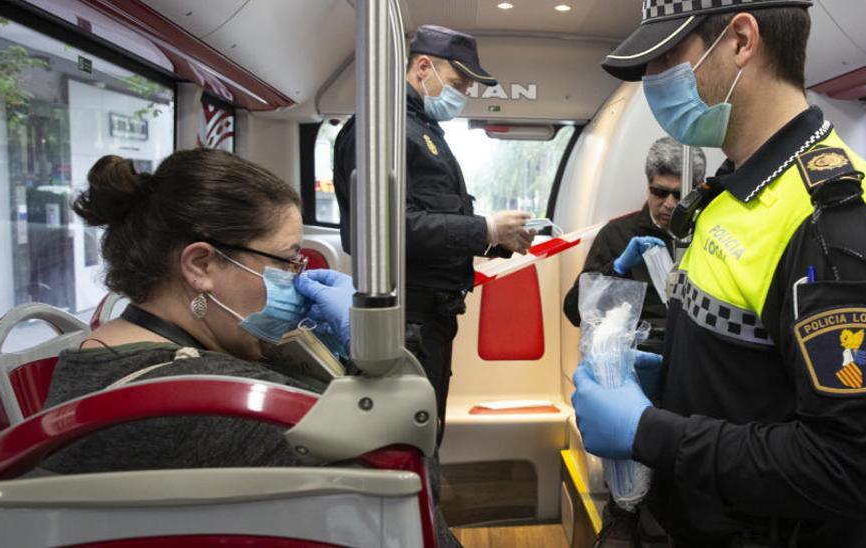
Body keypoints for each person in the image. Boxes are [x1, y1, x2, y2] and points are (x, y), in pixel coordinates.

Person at [571, 2, 866, 547]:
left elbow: (856, 470)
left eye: (667, 57)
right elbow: (756, 376)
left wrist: (649, 432)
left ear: (740, 40)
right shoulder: (731, 192)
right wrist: (668, 379)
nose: (652, 79)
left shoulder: (830, 222)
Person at [45, 149, 353, 473]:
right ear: (201, 265)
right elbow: (396, 458)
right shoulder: (221, 399)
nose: (296, 278)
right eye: (285, 261)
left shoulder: (93, 356)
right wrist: (367, 348)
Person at [333, 25, 534, 444]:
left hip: (432, 320)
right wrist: (485, 228)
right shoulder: (381, 131)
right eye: (459, 82)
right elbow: (388, 229)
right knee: (407, 441)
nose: (463, 94)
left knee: (426, 433)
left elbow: (433, 219)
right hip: (407, 318)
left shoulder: (419, 130)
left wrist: (496, 240)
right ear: (423, 67)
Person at [562, 137, 706, 355]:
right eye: (659, 192)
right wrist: (617, 269)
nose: (668, 204)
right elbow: (575, 311)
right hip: (638, 352)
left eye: (679, 195)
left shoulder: (709, 235)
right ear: (648, 186)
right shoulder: (617, 235)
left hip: (694, 350)